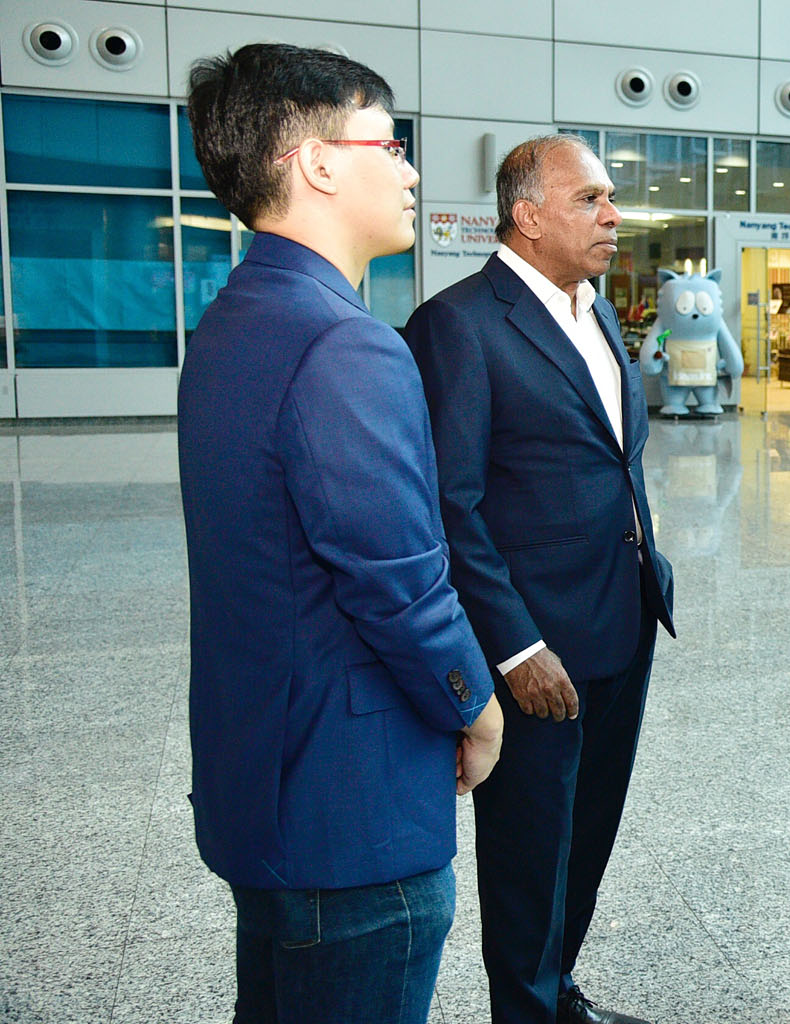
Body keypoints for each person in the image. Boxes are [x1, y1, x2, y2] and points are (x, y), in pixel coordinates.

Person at [178, 43, 503, 1023]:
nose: (409, 169)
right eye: (390, 142)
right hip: (349, 815)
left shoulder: (236, 321)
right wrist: (473, 702)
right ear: (316, 162)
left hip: (262, 786)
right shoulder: (345, 343)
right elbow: (396, 582)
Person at [403, 134, 675, 1024]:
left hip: (621, 623)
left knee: (587, 835)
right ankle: (523, 1008)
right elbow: (451, 505)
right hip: (535, 651)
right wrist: (515, 646)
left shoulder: (592, 311)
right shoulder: (462, 325)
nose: (614, 214)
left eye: (609, 198)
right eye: (591, 198)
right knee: (528, 851)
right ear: (527, 216)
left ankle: (558, 993)